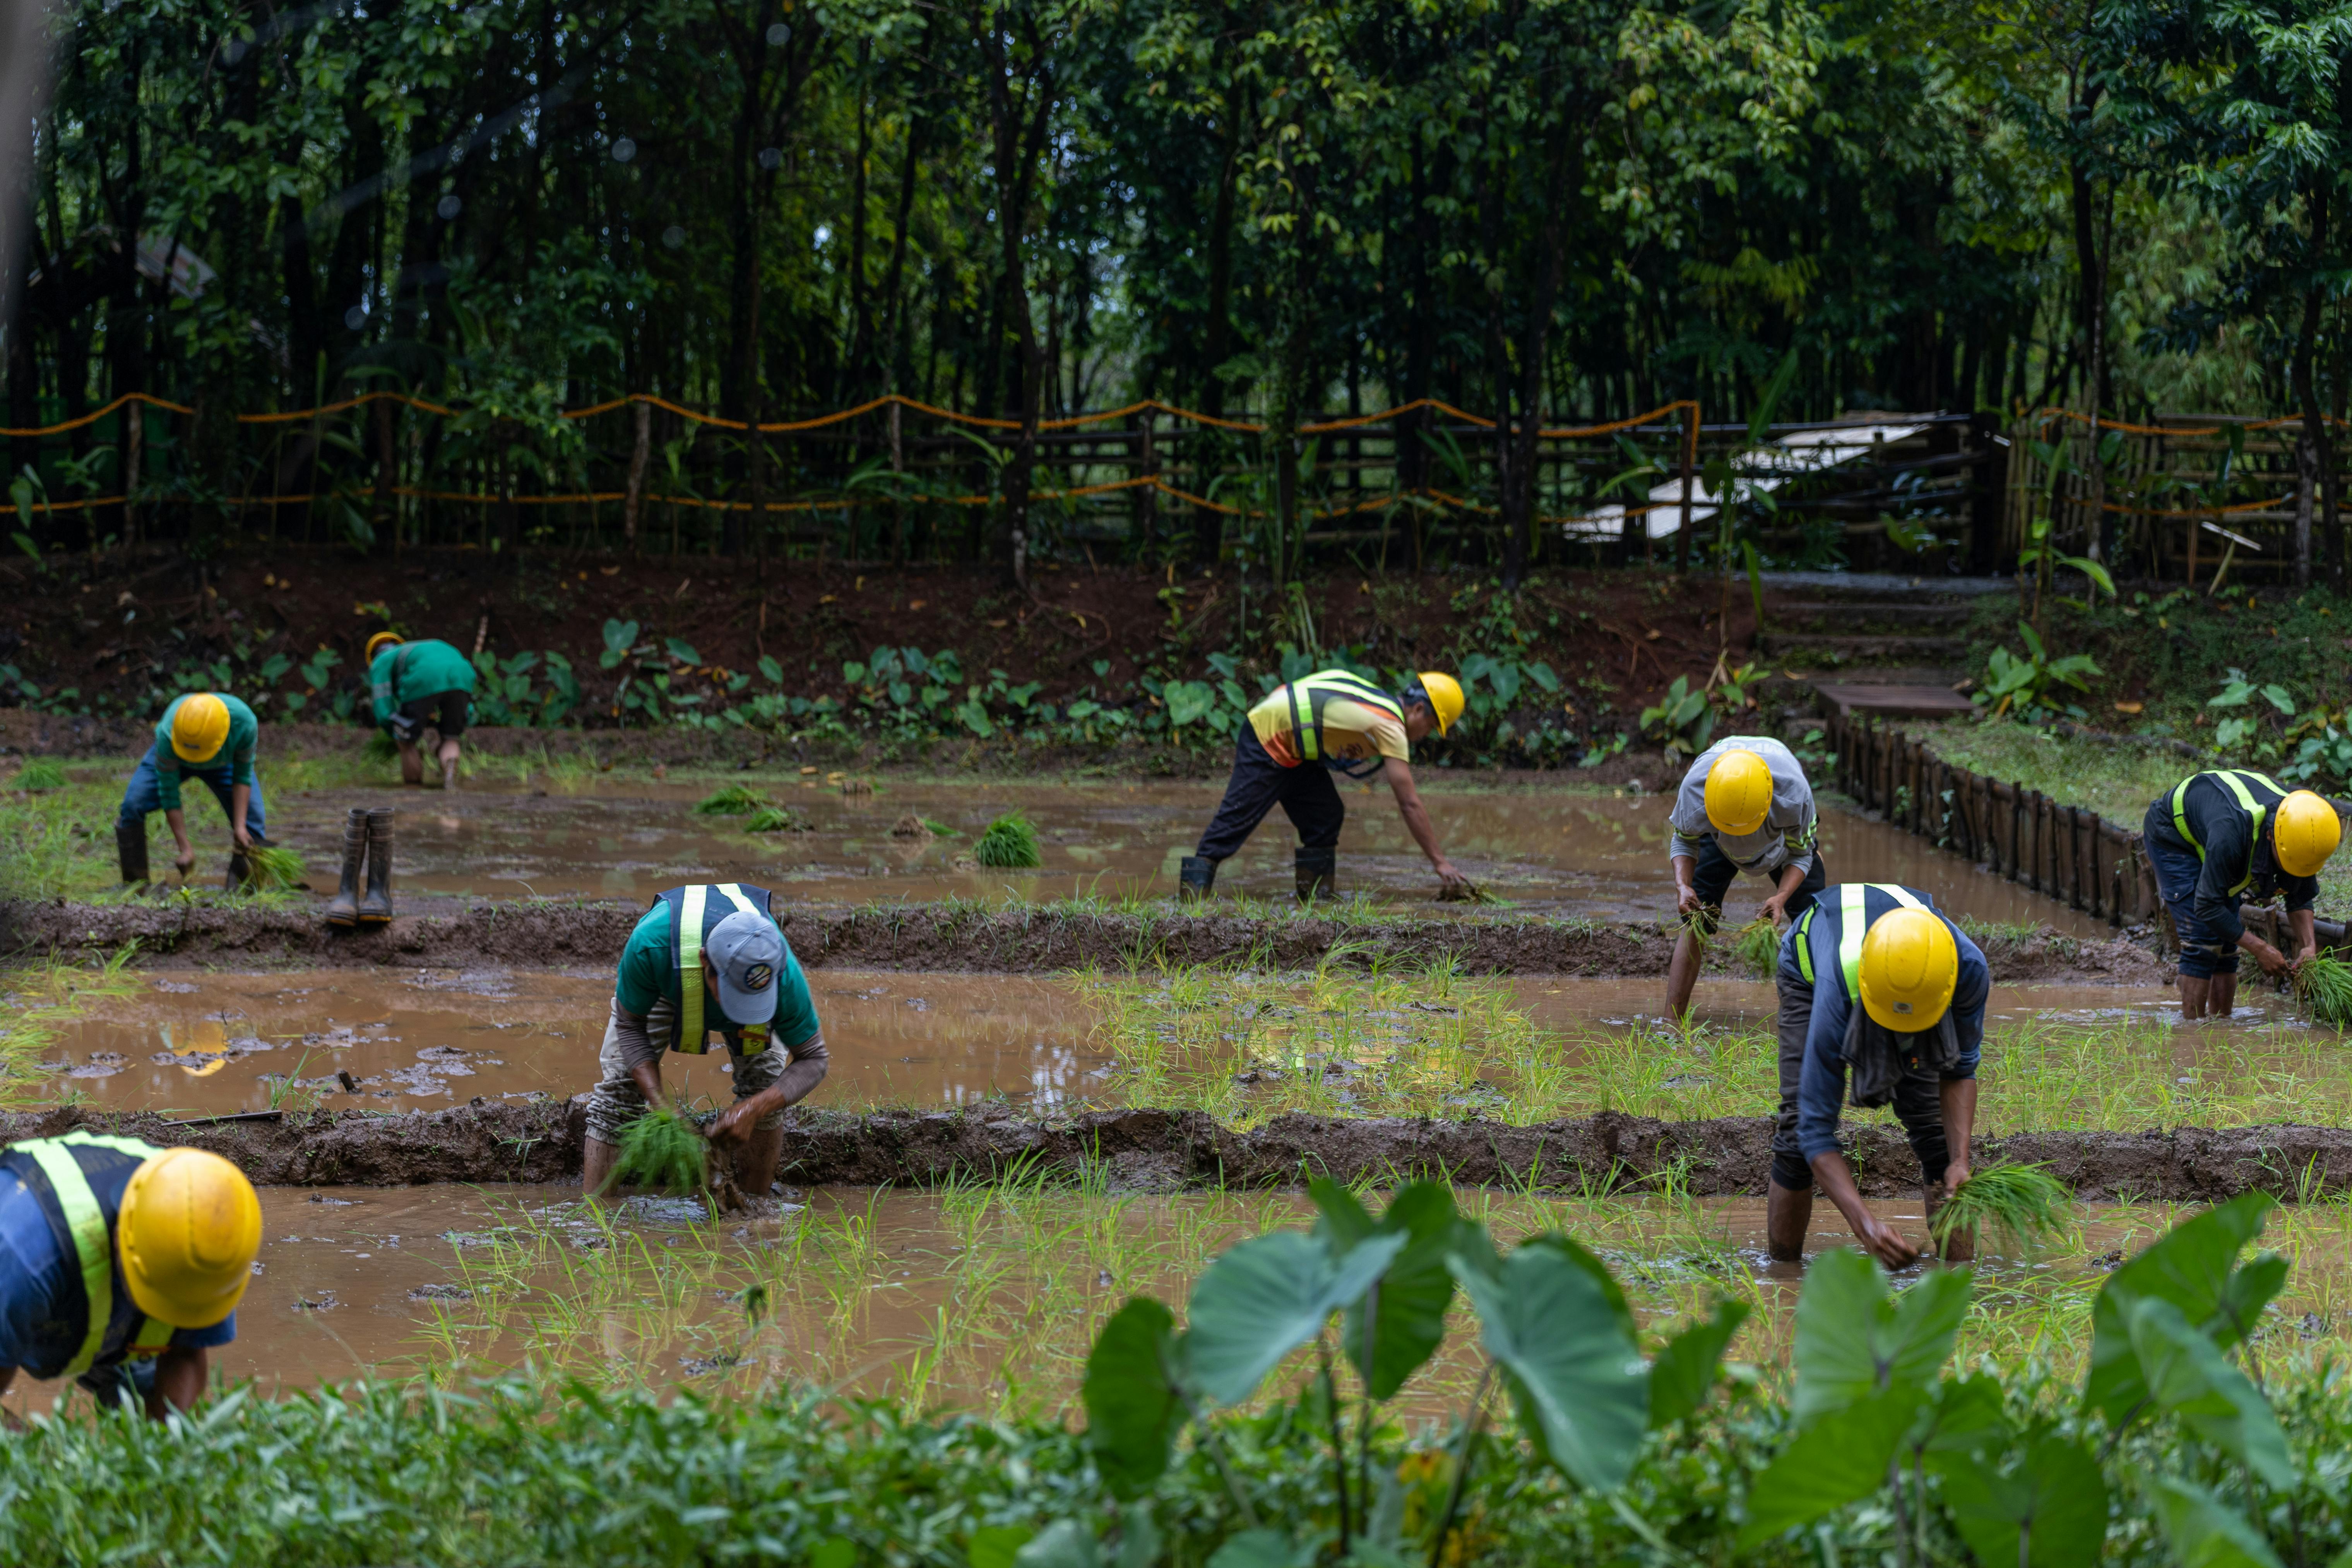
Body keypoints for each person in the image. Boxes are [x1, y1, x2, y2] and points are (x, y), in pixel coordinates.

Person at [1772, 882, 1989, 1270]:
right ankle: (1783, 1276)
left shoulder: (1967, 969)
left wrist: (1960, 1160)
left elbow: (1960, 1071)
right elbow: (1814, 1128)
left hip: (1904, 980)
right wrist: (1865, 1226)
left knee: (1937, 1135)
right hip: (1812, 968)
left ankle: (1958, 1283)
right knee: (1794, 1129)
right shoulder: (1836, 989)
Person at [581, 882, 831, 1197]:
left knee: (765, 1086)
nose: (741, 1011)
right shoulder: (650, 946)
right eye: (734, 994)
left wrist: (753, 1109)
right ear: (705, 964)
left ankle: (753, 1211)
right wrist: (661, 1107)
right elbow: (630, 1027)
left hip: (748, 991)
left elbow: (814, 1059)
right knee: (617, 1091)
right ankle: (594, 1221)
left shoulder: (782, 973)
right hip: (668, 980)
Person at [0, 1136, 261, 1423]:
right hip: (31, 1276)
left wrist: (171, 1444)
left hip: (90, 1311)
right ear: (120, 1240)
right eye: (156, 1295)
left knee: (159, 1415)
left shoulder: (209, 1233)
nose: (167, 1314)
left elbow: (186, 1351)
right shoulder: (25, 1255)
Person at [1179, 669, 1469, 901]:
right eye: (1431, 727)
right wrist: (1440, 862)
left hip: (1297, 746)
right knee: (1235, 820)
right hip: (1270, 737)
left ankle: (1315, 899)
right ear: (1419, 709)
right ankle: (1189, 907)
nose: (1425, 735)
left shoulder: (1378, 703)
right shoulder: (1390, 726)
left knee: (1325, 814)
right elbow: (1409, 803)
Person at [2142, 770, 2341, 1020]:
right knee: (2203, 938)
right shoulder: (2232, 835)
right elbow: (2206, 906)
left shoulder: (2303, 828)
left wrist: (2309, 947)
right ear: (2271, 836)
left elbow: (2299, 897)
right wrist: (2260, 948)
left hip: (2215, 828)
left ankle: (2221, 1025)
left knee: (2226, 945)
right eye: (2287, 861)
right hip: (2173, 834)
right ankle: (2191, 1033)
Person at [1666, 737, 1825, 1019]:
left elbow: (1802, 855)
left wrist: (1781, 897)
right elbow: (1684, 841)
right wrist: (1683, 885)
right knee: (1696, 921)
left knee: (1814, 920)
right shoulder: (1695, 791)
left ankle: (1819, 1017)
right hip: (1718, 838)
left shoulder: (1793, 795)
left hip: (1782, 841)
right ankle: (1671, 1022)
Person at [114, 692, 267, 888]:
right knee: (132, 805)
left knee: (252, 823)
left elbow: (242, 776)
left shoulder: (244, 723)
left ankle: (243, 897)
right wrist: (185, 849)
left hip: (223, 762)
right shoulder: (169, 733)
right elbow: (169, 792)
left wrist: (239, 827)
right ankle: (135, 888)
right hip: (178, 758)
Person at [367, 632, 478, 791]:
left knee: (405, 742)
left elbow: (383, 708)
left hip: (425, 676)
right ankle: (450, 780)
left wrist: (398, 731)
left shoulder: (381, 661)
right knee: (451, 737)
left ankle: (414, 791)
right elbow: (461, 699)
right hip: (463, 673)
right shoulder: (418, 650)